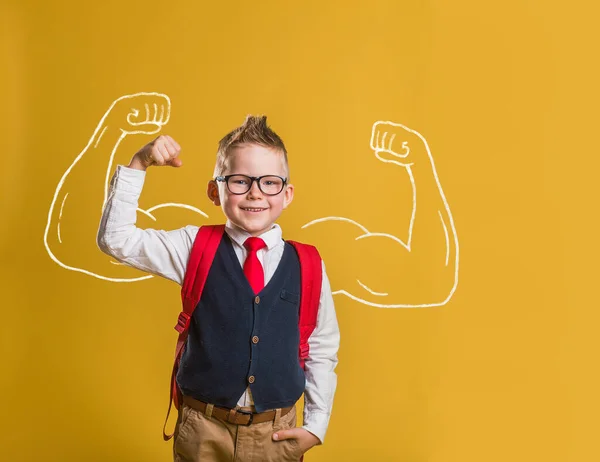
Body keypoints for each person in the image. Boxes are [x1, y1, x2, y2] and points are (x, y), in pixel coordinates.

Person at [96, 115, 340, 462]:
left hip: (276, 432)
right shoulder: (194, 246)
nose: (255, 192)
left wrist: (316, 426)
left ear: (287, 195)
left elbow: (321, 347)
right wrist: (140, 163)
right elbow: (115, 239)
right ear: (216, 191)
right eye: (240, 181)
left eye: (269, 182)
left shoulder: (308, 264)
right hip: (203, 429)